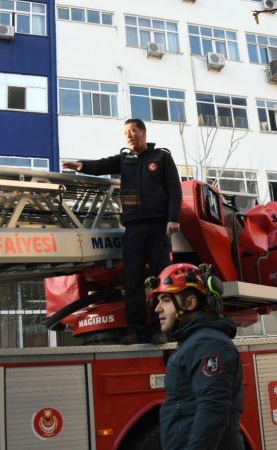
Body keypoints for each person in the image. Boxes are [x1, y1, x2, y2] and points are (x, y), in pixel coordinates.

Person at [63, 118, 182, 344]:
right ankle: (136, 329)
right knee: (132, 279)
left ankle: (160, 329)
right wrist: (82, 165)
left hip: (158, 226)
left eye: (133, 130)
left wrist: (173, 218)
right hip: (134, 226)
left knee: (161, 278)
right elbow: (103, 164)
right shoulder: (124, 160)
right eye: (126, 132)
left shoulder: (162, 157)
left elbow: (174, 189)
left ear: (143, 133)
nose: (129, 135)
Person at [149, 263, 243, 450]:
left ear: (190, 303)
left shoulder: (207, 344)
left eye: (166, 299)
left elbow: (212, 410)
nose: (157, 308)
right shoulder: (195, 342)